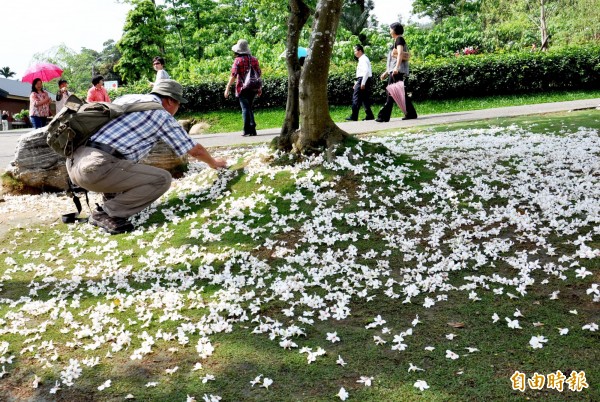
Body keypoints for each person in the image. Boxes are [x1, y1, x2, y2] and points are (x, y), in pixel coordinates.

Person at [67, 79, 227, 235]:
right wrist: (214, 163)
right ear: (170, 101)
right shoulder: (160, 114)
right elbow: (194, 150)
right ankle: (106, 213)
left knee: (126, 161)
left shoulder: (128, 99)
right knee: (161, 179)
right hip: (96, 169)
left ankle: (111, 197)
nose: (178, 108)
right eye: (179, 104)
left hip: (75, 163)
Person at [376, 22, 417, 122]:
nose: (390, 31)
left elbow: (400, 54)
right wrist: (386, 72)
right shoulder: (396, 40)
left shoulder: (399, 39)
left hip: (396, 71)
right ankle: (411, 113)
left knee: (391, 92)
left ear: (394, 30)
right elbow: (393, 60)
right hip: (394, 71)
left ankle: (384, 116)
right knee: (399, 92)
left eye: (390, 29)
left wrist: (396, 68)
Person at [224, 39, 262, 137]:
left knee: (245, 108)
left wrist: (227, 87)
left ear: (237, 51)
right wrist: (259, 88)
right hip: (253, 87)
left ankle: (247, 130)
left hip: (242, 88)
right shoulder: (254, 59)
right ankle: (252, 129)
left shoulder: (238, 60)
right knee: (249, 107)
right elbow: (258, 74)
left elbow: (233, 75)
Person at [345, 44, 374, 121]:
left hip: (363, 79)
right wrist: (358, 82)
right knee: (364, 98)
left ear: (360, 51)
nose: (354, 52)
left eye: (355, 51)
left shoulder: (363, 59)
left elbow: (366, 71)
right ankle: (370, 115)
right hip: (363, 79)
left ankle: (354, 116)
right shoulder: (363, 59)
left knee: (356, 98)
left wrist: (362, 83)